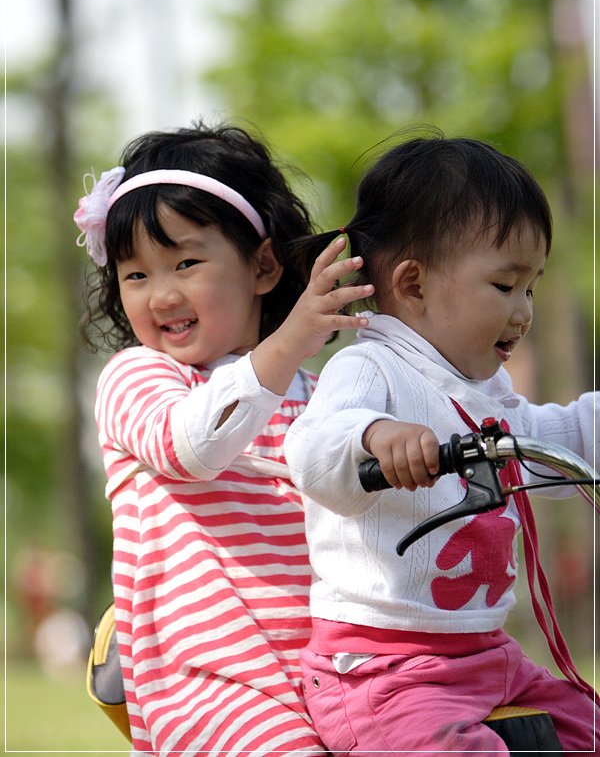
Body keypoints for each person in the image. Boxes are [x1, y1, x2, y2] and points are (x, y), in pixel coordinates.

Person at [284, 132, 599, 755]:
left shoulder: (486, 393)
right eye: (505, 286)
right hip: (384, 668)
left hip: (488, 654)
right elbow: (314, 449)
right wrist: (376, 437)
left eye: (531, 288)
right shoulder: (371, 367)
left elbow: (550, 443)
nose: (524, 312)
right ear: (415, 285)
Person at [74, 120, 372, 756]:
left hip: (326, 671)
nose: (162, 295)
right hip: (204, 681)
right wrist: (290, 340)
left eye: (186, 262)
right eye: (136, 275)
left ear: (262, 265)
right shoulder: (138, 376)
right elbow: (189, 447)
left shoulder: (320, 394)